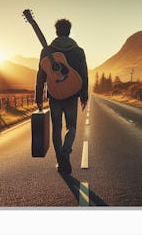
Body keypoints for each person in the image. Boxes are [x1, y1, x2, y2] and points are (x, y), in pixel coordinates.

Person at [36, 19, 88, 174]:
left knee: (56, 129)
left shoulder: (47, 51)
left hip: (55, 96)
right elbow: (84, 75)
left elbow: (41, 75)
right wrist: (84, 95)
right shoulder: (78, 51)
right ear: (69, 32)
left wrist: (39, 96)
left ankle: (61, 161)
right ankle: (66, 151)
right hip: (72, 95)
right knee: (71, 127)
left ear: (57, 32)